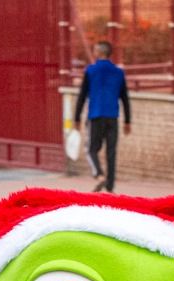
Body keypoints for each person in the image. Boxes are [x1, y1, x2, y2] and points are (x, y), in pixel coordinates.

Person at [75, 40, 131, 193]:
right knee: (111, 152)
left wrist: (77, 118)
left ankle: (99, 174)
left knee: (91, 149)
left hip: (96, 115)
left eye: (95, 50)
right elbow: (125, 97)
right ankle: (110, 186)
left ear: (99, 53)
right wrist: (127, 121)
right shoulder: (118, 72)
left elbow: (82, 95)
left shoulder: (91, 71)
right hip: (113, 116)